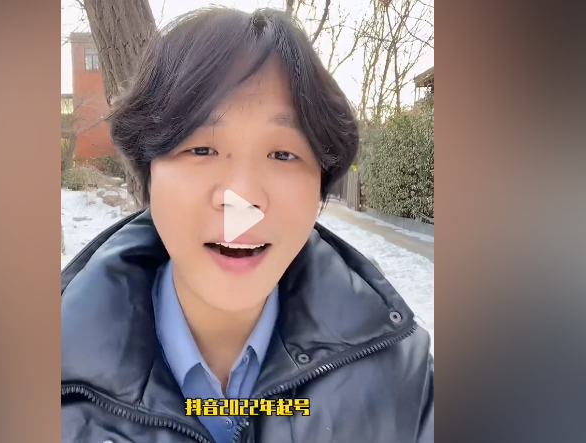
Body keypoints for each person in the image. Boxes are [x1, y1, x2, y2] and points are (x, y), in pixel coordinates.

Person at [61, 7, 433, 443]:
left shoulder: (403, 384)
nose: (241, 199)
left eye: (282, 155)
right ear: (148, 173)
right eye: (201, 150)